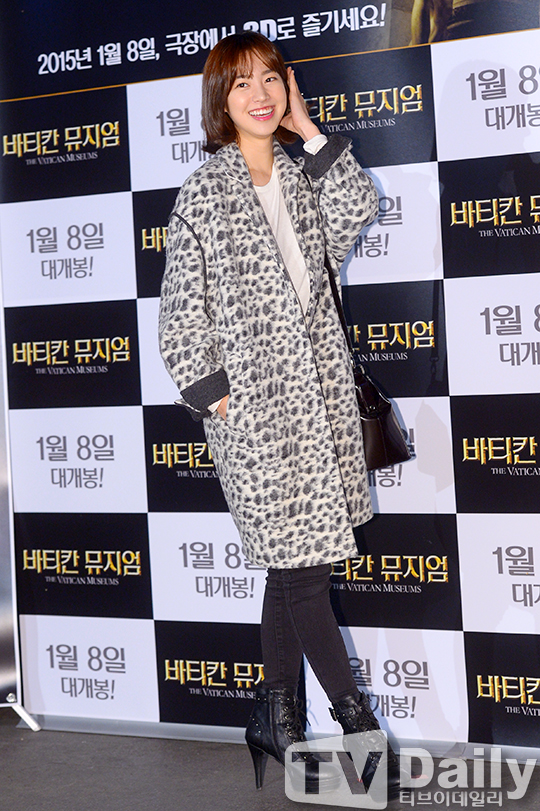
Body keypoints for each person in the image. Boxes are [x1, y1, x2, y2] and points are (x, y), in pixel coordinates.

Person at [159, 31, 401, 795]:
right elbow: (179, 316)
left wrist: (310, 130)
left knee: (292, 568)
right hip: (257, 423)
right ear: (220, 100)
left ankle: (273, 714)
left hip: (321, 408)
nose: (259, 95)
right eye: (241, 84)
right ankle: (360, 726)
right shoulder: (204, 192)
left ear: (287, 85)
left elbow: (358, 206)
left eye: (270, 79)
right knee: (304, 575)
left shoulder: (301, 177)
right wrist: (217, 397)